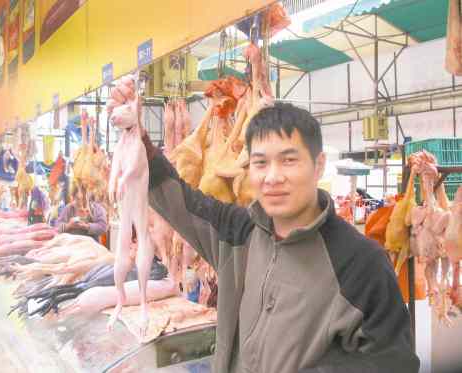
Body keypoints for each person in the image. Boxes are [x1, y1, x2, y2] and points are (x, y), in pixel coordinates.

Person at [111, 86, 419, 372]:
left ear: (319, 165)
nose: (272, 177)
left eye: (288, 161)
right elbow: (179, 201)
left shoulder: (360, 262)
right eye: (260, 163)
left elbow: (393, 361)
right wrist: (136, 134)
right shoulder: (239, 233)